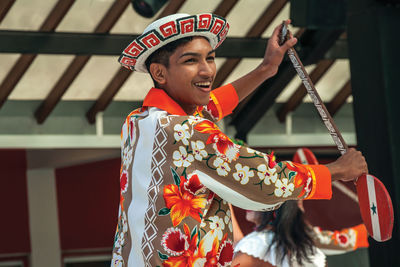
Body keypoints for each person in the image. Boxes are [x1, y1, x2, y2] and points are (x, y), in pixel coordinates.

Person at [111, 13, 368, 267]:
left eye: (210, 58)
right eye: (190, 60)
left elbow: (211, 106)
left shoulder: (138, 121)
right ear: (159, 72)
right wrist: (335, 170)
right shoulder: (187, 131)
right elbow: (263, 180)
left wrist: (266, 69)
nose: (206, 70)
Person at [232, 201, 369, 267]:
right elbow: (241, 244)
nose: (247, 203)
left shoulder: (258, 244)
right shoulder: (311, 251)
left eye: (254, 199)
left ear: (273, 208)